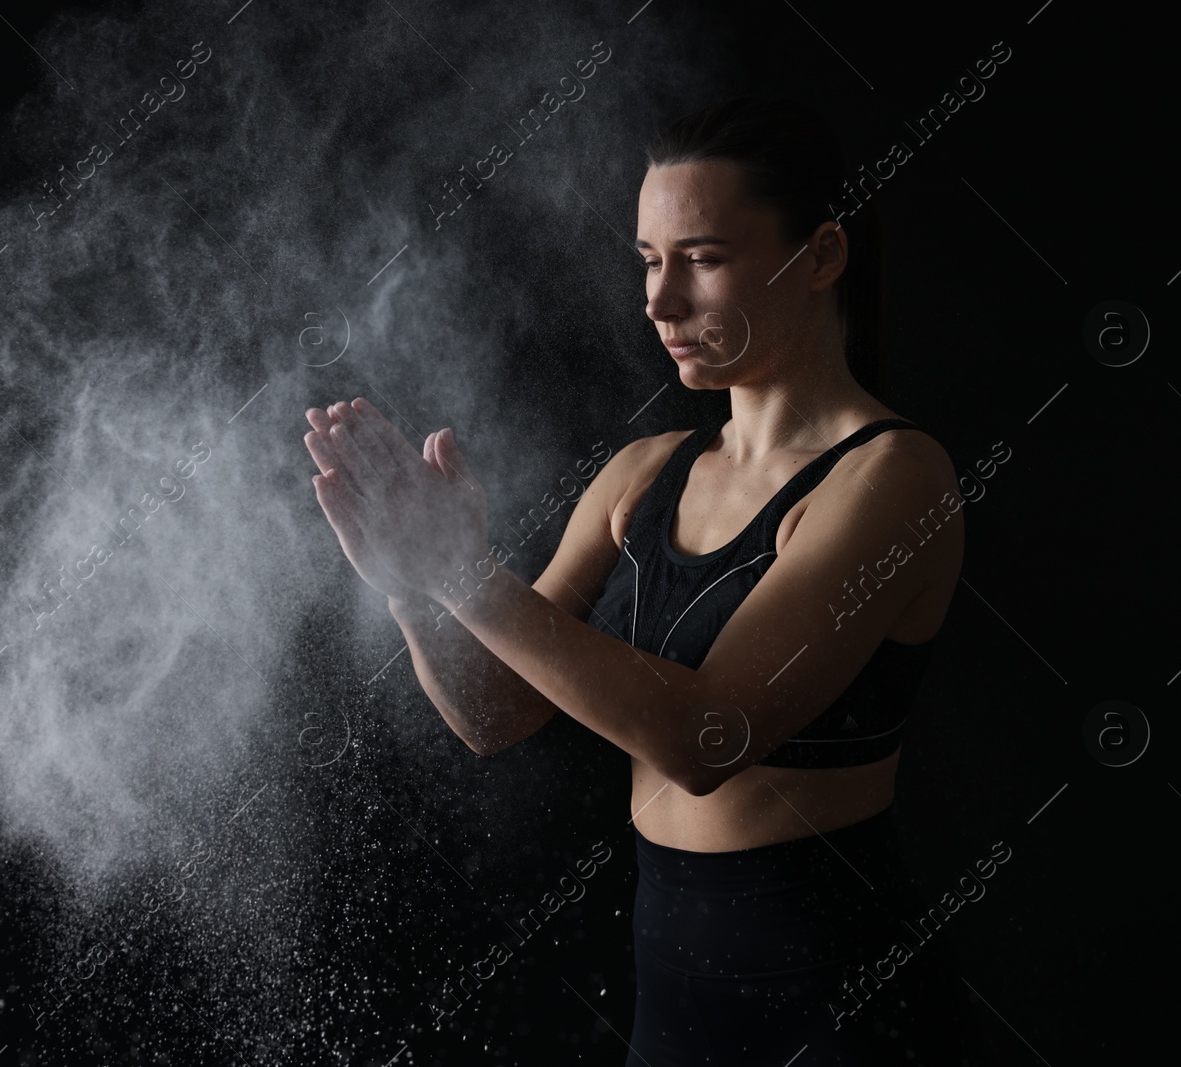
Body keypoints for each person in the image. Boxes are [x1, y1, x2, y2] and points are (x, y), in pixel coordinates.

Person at [301, 96, 981, 1065]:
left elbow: (708, 736)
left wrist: (468, 574)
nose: (660, 304)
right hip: (674, 1014)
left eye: (702, 259)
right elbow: (496, 712)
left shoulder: (894, 479)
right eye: (649, 262)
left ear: (822, 256)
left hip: (845, 1009)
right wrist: (417, 582)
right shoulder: (642, 474)